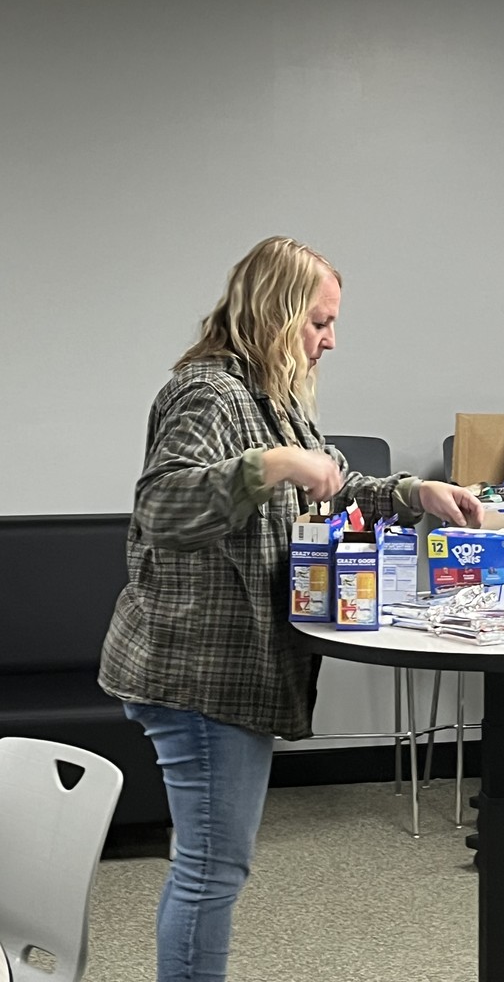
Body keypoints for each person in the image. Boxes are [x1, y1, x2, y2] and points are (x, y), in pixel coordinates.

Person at [99, 235, 484, 982]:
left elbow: (332, 484)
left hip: (228, 668)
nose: (329, 340)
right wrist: (272, 464)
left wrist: (412, 494)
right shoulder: (210, 392)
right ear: (273, 313)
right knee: (212, 870)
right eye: (317, 322)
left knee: (214, 865)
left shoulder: (270, 396)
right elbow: (163, 505)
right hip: (198, 673)